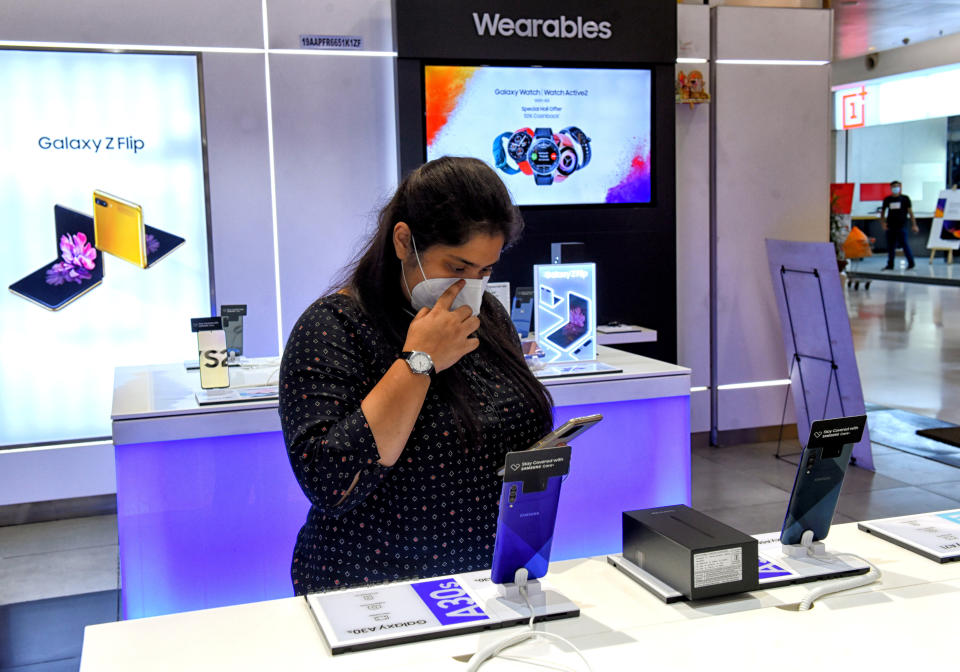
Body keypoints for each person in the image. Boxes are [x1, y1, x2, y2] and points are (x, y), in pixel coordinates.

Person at [279, 156, 554, 593]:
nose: (469, 286)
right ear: (404, 242)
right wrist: (419, 361)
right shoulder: (334, 326)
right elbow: (330, 482)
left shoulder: (488, 315)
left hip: (486, 581)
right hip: (373, 588)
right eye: (458, 268)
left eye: (485, 270)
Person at [880, 180, 918, 270]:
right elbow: (883, 212)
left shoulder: (905, 199)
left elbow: (910, 213)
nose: (895, 188)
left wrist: (914, 224)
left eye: (897, 186)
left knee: (904, 244)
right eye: (894, 187)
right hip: (890, 226)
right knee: (891, 246)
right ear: (891, 188)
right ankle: (890, 264)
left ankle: (911, 263)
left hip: (901, 226)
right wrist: (883, 223)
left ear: (900, 188)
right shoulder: (887, 199)